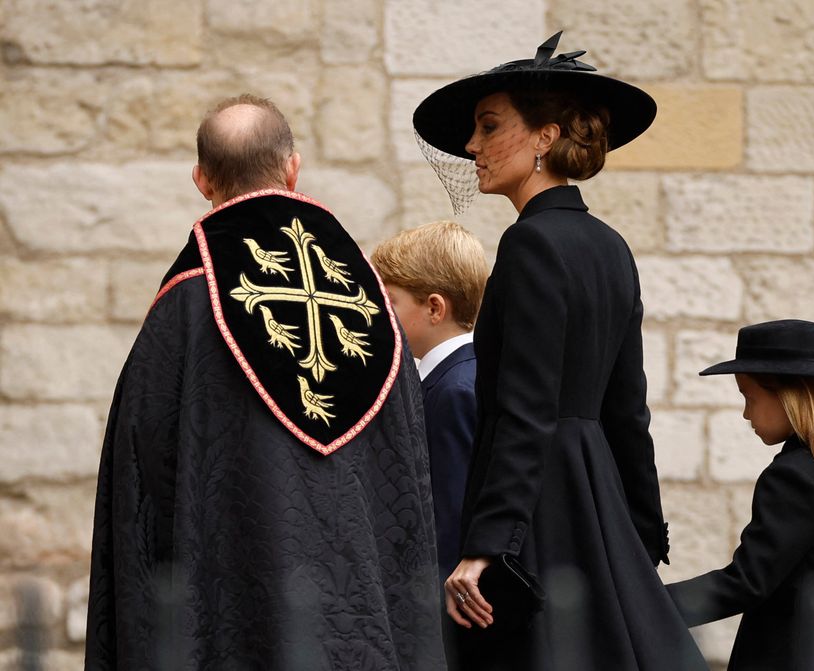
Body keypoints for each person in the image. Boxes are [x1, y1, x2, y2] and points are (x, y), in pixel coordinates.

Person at [85, 94, 446, 670]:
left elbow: (142, 471)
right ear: (293, 168)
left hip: (237, 611)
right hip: (359, 616)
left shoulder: (186, 304)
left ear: (202, 180)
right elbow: (406, 467)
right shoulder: (373, 302)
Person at [413, 33, 708, 670]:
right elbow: (628, 411)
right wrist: (640, 529)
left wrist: (486, 545)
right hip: (594, 497)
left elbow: (526, 409)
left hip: (545, 505)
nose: (472, 146)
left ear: (544, 137)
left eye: (490, 126)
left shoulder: (530, 244)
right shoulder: (611, 246)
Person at [666, 319, 814, 670]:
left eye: (749, 397)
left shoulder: (792, 477)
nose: (745, 414)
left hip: (798, 654)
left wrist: (651, 604)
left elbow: (746, 582)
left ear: (790, 397)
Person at [371, 221, 489, 583]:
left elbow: (449, 511)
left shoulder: (453, 390)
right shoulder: (471, 372)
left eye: (390, 302)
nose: (379, 313)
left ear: (435, 308)